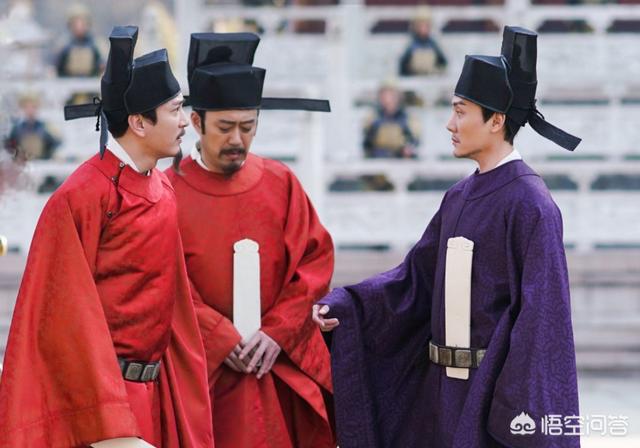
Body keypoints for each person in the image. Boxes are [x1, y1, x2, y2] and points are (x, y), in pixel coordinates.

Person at [313, 26, 581, 448]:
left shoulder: (531, 205)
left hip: (490, 401)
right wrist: (349, 305)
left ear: (496, 120)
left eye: (460, 111)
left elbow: (541, 327)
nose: (449, 124)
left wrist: (515, 421)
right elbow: (413, 282)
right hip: (438, 396)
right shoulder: (459, 196)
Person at [0, 26, 213, 448]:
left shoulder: (161, 185)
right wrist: (108, 418)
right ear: (138, 122)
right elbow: (64, 319)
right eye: (175, 110)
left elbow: (174, 305)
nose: (186, 121)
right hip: (100, 407)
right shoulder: (82, 196)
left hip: (153, 393)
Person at [165, 32, 335, 448]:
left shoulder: (280, 183)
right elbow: (164, 277)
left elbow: (313, 265)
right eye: (225, 128)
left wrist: (277, 332)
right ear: (197, 122)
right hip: (203, 368)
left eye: (248, 127)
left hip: (273, 361)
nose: (237, 140)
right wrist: (220, 336)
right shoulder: (166, 192)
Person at [363, 81, 420, 159]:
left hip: (401, 159)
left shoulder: (407, 118)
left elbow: (414, 141)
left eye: (390, 95)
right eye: (384, 95)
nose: (387, 99)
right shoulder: (373, 118)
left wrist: (408, 149)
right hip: (378, 158)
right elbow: (367, 144)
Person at [5, 92, 60, 161]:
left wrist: (47, 155)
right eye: (27, 107)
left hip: (41, 163)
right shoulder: (17, 129)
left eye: (33, 107)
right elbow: (10, 147)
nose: (30, 110)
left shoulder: (45, 127)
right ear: (23, 108)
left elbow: (55, 143)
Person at [56, 3, 103, 77]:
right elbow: (59, 68)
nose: (79, 27)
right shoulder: (65, 46)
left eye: (82, 23)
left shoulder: (94, 45)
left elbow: (100, 64)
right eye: (75, 24)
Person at [399, 8, 447, 77]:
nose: (423, 29)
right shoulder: (411, 45)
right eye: (420, 25)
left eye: (426, 26)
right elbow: (403, 65)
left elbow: (443, 62)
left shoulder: (433, 44)